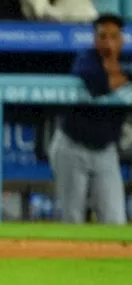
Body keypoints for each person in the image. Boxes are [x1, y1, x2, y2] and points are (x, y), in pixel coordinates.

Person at [51, 14, 130, 225]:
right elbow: (99, 85)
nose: (109, 42)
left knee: (115, 219)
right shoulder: (86, 58)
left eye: (114, 37)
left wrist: (118, 74)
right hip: (72, 147)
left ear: (121, 40)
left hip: (105, 151)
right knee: (72, 218)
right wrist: (122, 78)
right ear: (95, 39)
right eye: (103, 37)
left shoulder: (127, 60)